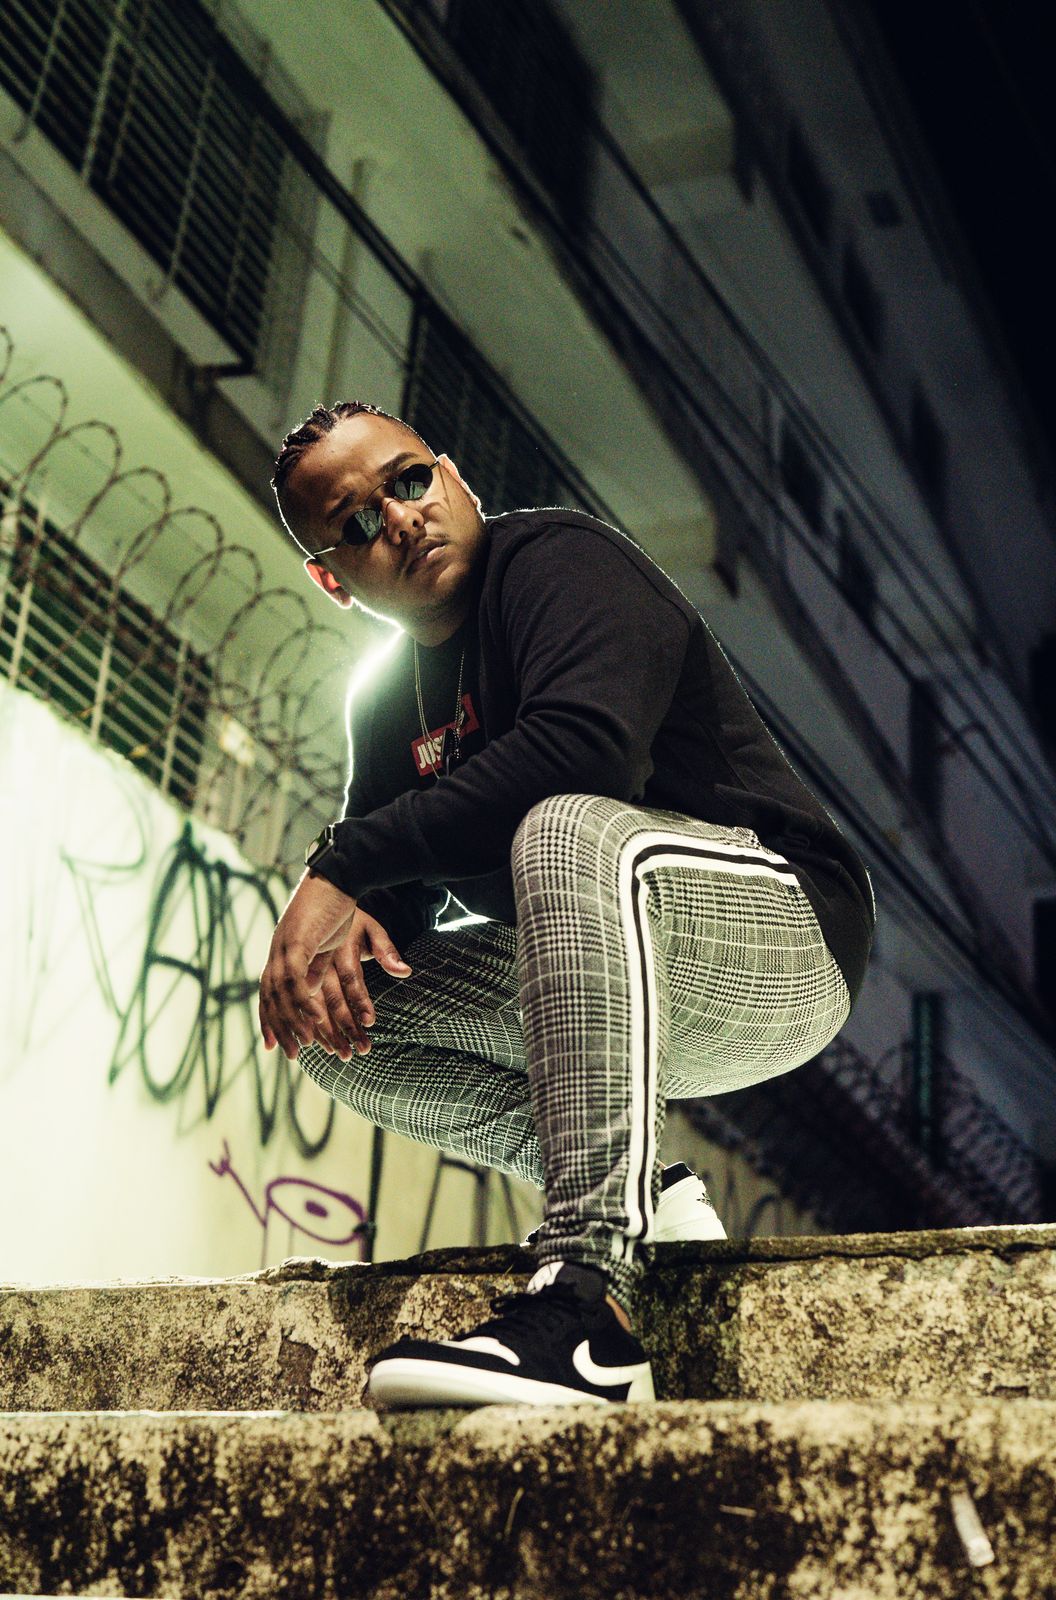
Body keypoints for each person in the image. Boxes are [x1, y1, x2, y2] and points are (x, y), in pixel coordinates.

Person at [257, 400, 875, 1410]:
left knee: (566, 825)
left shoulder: (556, 561)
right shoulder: (388, 705)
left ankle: (590, 1306)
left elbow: (583, 752)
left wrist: (340, 863)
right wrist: (346, 928)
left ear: (453, 478)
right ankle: (649, 1200)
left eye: (408, 481)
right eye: (358, 522)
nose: (400, 518)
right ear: (332, 578)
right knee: (337, 1018)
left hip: (780, 938)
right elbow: (395, 903)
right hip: (610, 989)